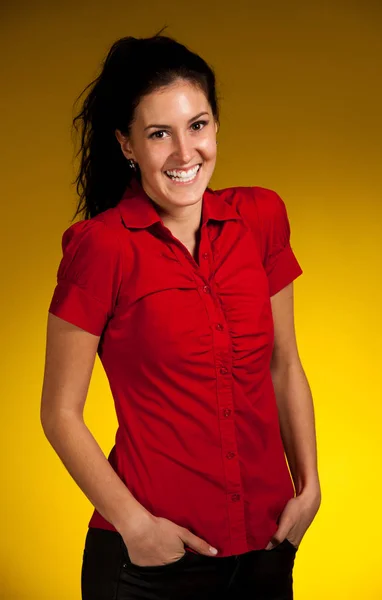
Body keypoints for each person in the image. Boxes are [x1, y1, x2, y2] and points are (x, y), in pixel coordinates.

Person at [40, 29, 321, 600]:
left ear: (216, 125)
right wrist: (137, 527)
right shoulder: (102, 247)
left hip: (266, 552)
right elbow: (59, 412)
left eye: (197, 126)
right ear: (127, 145)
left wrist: (310, 487)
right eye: (159, 134)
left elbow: (283, 363)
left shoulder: (261, 218)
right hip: (152, 565)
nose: (185, 154)